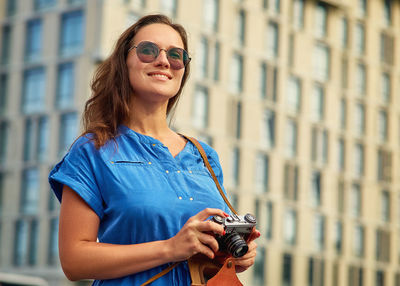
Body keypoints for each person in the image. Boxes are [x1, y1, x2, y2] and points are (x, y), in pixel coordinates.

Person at [49, 14, 260, 285]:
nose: (163, 61)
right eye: (148, 51)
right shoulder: (93, 150)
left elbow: (203, 258)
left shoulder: (204, 156)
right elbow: (74, 261)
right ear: (123, 63)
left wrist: (231, 255)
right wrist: (170, 248)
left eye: (176, 55)